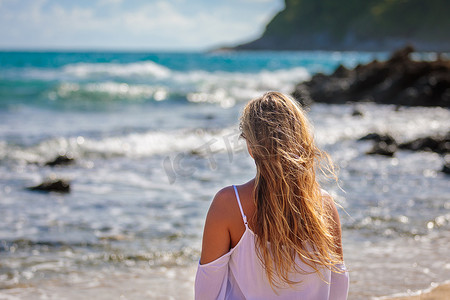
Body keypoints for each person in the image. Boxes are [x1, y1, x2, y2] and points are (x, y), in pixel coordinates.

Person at [195, 91, 349, 299]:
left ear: (250, 147)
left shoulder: (229, 204)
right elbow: (338, 289)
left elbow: (206, 295)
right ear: (301, 139)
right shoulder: (323, 205)